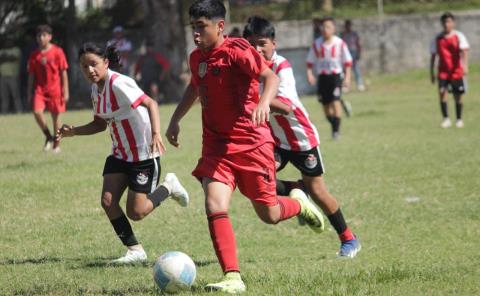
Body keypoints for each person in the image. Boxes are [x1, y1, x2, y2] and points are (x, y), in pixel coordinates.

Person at [165, 0, 325, 293]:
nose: (196, 34)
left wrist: (264, 102)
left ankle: (298, 203)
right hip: (216, 145)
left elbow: (270, 76)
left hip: (252, 144)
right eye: (193, 28)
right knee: (214, 203)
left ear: (220, 26)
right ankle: (233, 276)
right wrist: (175, 119)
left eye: (201, 27)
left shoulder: (238, 50)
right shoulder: (196, 58)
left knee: (269, 214)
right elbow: (195, 86)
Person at [56, 43, 189, 264]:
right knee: (108, 201)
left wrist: (156, 133)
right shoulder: (95, 90)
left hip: (143, 156)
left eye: (94, 64)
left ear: (105, 62)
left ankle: (169, 187)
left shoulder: (119, 83)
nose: (90, 70)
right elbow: (100, 124)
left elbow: (151, 103)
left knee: (136, 212)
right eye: (84, 66)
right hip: (119, 154)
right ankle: (135, 250)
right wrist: (74, 132)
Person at [243, 16, 360, 259]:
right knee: (257, 179)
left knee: (318, 191)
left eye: (262, 43)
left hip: (301, 139)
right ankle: (298, 189)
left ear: (274, 44)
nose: (256, 49)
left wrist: (253, 99)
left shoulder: (281, 67)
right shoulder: (247, 69)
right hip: (274, 140)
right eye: (251, 43)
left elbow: (285, 107)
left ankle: (348, 238)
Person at [306, 17, 352, 140]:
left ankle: (335, 132)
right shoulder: (317, 44)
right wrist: (310, 74)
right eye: (323, 27)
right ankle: (335, 123)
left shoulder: (340, 43)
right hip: (323, 77)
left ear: (333, 29)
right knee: (326, 105)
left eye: (328, 27)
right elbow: (310, 62)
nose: (325, 29)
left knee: (335, 101)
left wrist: (347, 77)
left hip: (336, 76)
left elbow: (347, 63)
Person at [27, 24, 69, 153]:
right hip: (40, 91)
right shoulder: (34, 55)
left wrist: (66, 91)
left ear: (50, 37)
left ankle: (56, 145)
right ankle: (48, 136)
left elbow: (63, 73)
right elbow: (31, 75)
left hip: (55, 91)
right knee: (36, 112)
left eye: (44, 35)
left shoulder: (58, 51)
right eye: (39, 35)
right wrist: (29, 93)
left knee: (56, 119)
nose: (41, 38)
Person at [430, 12, 469, 129]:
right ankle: (446, 119)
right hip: (443, 71)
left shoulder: (459, 36)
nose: (447, 24)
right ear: (442, 23)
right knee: (442, 93)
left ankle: (459, 119)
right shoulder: (438, 38)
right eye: (445, 22)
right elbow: (433, 56)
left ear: (453, 23)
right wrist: (431, 72)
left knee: (458, 95)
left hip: (456, 71)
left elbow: (464, 52)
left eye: (449, 22)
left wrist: (465, 66)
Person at [340, 19, 365, 91]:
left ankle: (360, 84)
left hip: (353, 52)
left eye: (349, 25)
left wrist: (359, 53)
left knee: (356, 69)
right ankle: (346, 86)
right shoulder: (342, 34)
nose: (348, 27)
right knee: (345, 70)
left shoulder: (354, 34)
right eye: (346, 25)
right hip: (345, 53)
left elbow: (358, 44)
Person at [0, 39, 23, 114]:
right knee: (4, 97)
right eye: (6, 41)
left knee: (16, 96)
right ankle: (4, 113)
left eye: (10, 41)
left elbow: (14, 58)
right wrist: (8, 58)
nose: (8, 42)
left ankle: (19, 111)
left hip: (13, 76)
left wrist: (5, 58)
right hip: (3, 77)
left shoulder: (16, 50)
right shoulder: (1, 51)